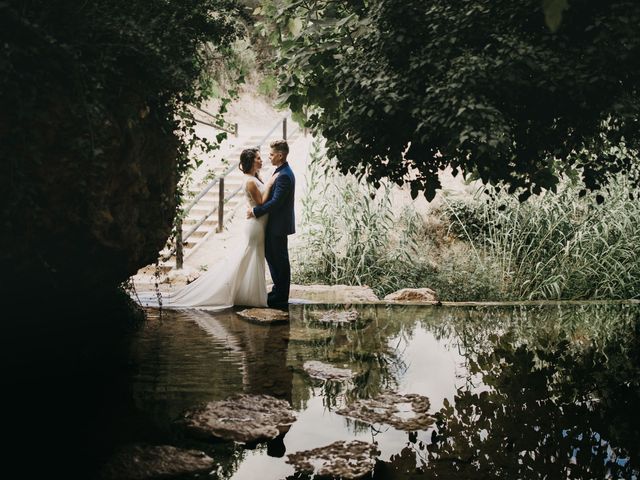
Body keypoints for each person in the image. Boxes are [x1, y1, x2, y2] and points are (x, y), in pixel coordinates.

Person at [136, 148, 278, 310]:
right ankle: (243, 295)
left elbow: (255, 201)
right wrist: (270, 183)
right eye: (258, 158)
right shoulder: (250, 181)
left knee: (251, 258)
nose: (261, 160)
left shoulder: (253, 178)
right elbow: (260, 202)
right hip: (255, 226)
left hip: (257, 223)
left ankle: (246, 294)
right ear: (251, 162)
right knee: (249, 257)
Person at [247, 139, 295, 309]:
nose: (269, 157)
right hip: (275, 225)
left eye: (272, 154)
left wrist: (255, 212)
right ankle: (277, 292)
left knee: (279, 261)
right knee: (275, 259)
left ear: (280, 155)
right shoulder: (281, 172)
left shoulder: (284, 176)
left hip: (278, 226)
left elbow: (275, 203)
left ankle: (281, 296)